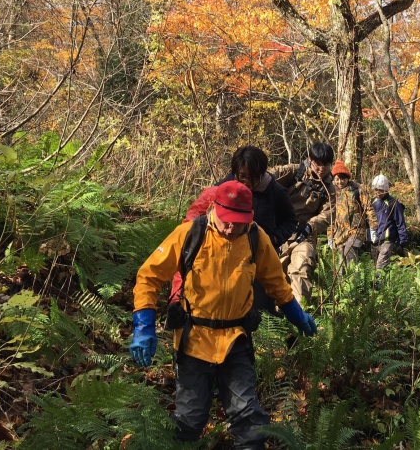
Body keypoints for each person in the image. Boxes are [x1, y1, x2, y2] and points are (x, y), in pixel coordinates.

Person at [129, 181, 317, 447]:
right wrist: (143, 325)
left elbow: (277, 283)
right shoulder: (190, 234)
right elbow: (149, 276)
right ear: (214, 209)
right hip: (193, 341)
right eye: (226, 221)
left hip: (236, 341)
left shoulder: (256, 238)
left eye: (238, 223)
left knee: (248, 418)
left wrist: (297, 315)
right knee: (189, 419)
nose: (230, 228)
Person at [169, 146, 296, 311]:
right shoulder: (221, 189)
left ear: (262, 173)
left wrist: (274, 239)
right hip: (223, 258)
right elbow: (192, 227)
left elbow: (290, 220)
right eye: (243, 176)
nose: (247, 182)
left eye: (253, 177)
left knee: (261, 309)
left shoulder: (275, 191)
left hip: (260, 256)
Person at [271, 142, 336, 302]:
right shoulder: (294, 171)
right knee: (274, 276)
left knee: (302, 269)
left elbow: (328, 213)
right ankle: (276, 313)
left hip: (303, 235)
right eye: (318, 164)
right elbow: (264, 177)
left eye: (326, 165)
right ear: (310, 159)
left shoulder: (329, 188)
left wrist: (310, 226)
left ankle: (300, 312)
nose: (321, 169)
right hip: (278, 232)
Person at [327, 161, 378, 269]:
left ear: (347, 178)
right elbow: (330, 215)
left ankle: (355, 278)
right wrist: (330, 236)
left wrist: (373, 228)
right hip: (340, 233)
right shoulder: (332, 192)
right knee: (340, 262)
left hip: (356, 229)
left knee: (350, 251)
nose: (340, 182)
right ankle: (343, 280)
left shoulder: (358, 189)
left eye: (342, 179)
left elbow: (369, 208)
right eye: (337, 179)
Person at [371, 174, 408, 271]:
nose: (378, 192)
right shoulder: (373, 202)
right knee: (374, 267)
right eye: (376, 190)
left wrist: (402, 242)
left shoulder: (394, 203)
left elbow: (400, 223)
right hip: (375, 240)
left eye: (380, 190)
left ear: (386, 189)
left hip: (388, 240)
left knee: (380, 268)